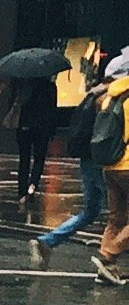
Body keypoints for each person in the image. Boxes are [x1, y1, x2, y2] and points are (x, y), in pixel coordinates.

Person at [34, 48, 111, 266]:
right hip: (105, 159)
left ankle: (49, 240)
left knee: (91, 210)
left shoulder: (91, 95)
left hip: (87, 158)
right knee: (118, 212)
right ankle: (109, 258)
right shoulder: (110, 98)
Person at [93, 48, 129, 285]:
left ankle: (106, 270)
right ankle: (108, 255)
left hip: (110, 165)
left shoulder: (108, 98)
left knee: (116, 218)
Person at [4, 69, 60, 208]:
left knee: (24, 159)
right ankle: (32, 186)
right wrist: (52, 128)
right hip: (42, 128)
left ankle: (21, 189)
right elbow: (53, 109)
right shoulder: (49, 87)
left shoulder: (23, 85)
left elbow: (14, 104)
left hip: (24, 127)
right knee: (39, 159)